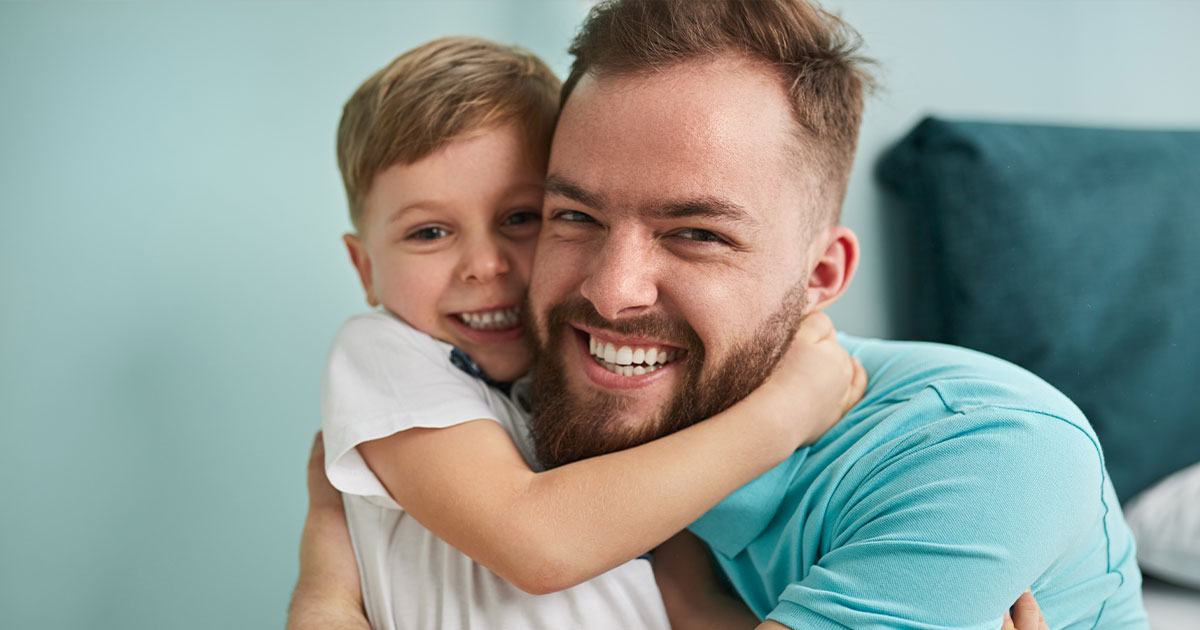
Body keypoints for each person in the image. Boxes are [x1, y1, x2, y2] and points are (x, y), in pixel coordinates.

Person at [295, 1, 1150, 628]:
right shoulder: (553, 412)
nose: (612, 292)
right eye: (573, 216)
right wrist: (330, 576)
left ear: (821, 274)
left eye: (697, 233)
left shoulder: (987, 454)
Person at [320, 35, 865, 630]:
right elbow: (532, 542)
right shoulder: (386, 354)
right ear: (365, 269)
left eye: (521, 219)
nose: (486, 264)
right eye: (429, 233)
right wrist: (784, 413)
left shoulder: (589, 383)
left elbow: (685, 601)